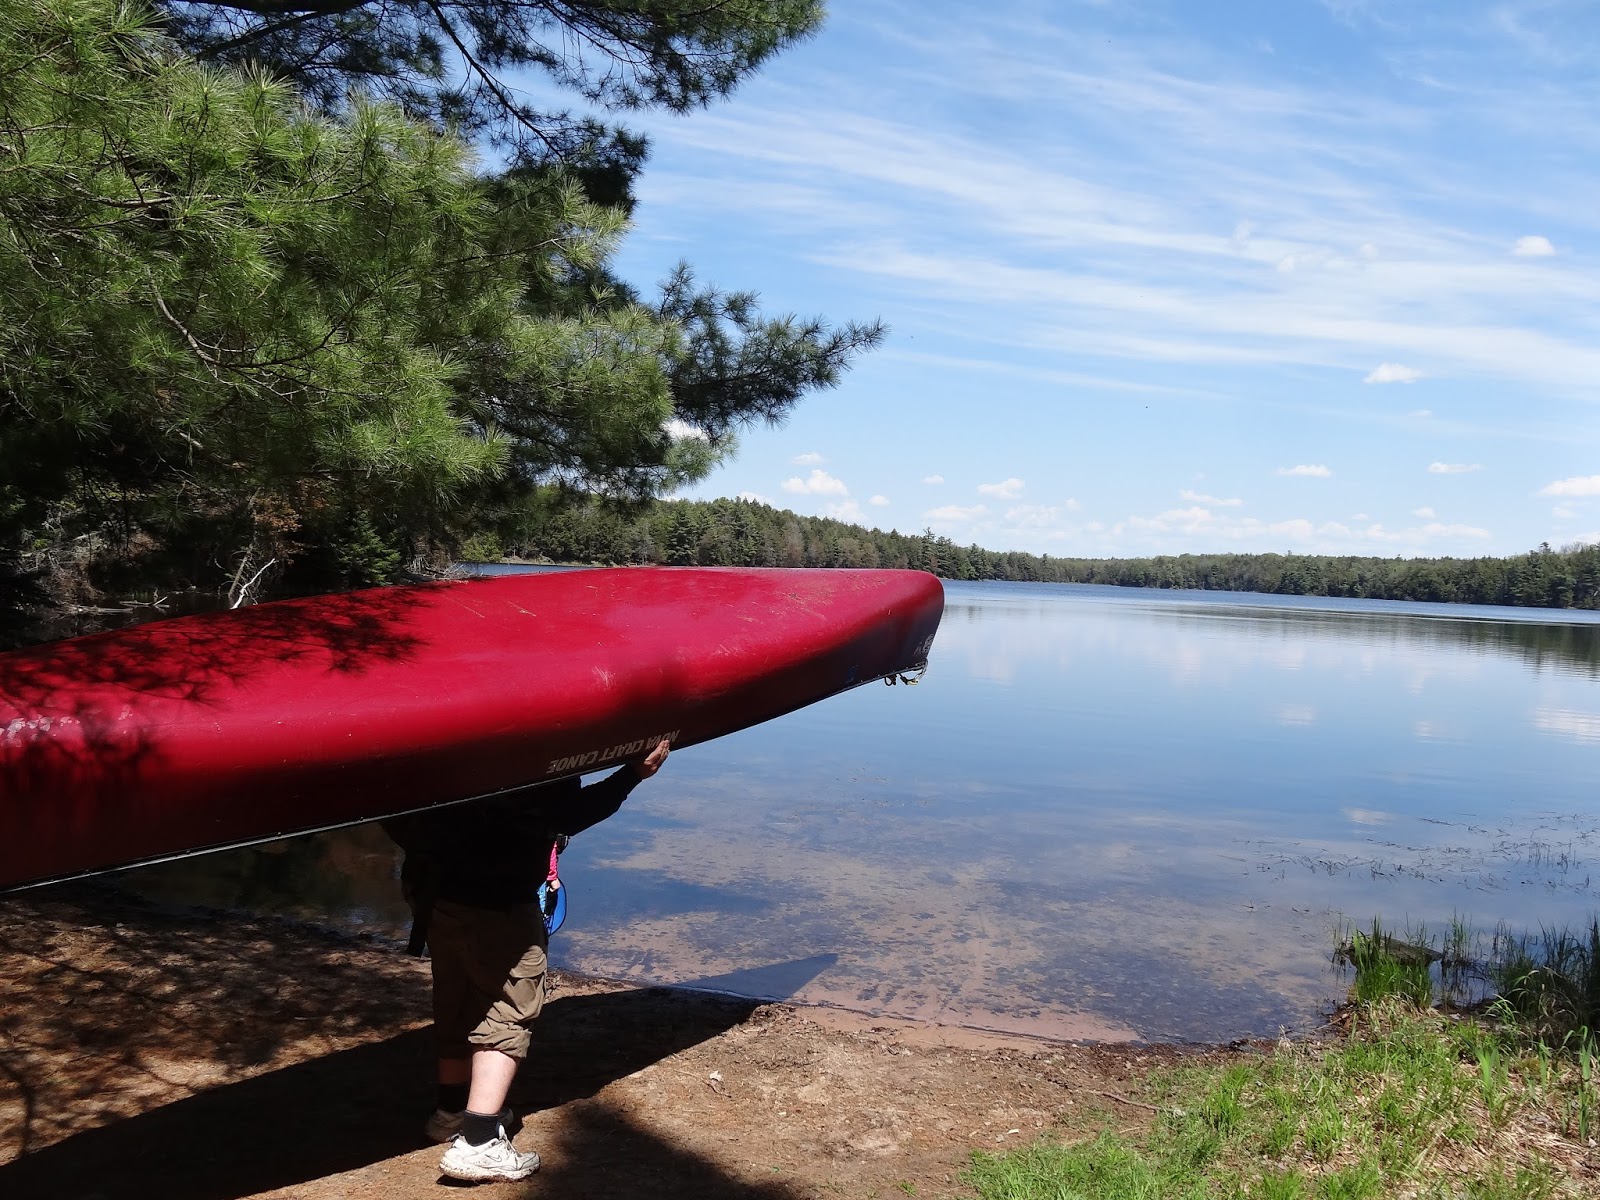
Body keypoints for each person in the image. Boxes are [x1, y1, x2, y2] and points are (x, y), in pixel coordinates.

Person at [384, 738, 670, 1183]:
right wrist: (631, 775)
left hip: (436, 890)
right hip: (498, 901)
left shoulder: (458, 734)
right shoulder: (527, 742)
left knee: (457, 997)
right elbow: (565, 813)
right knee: (507, 1011)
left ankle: (450, 1111)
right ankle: (478, 1141)